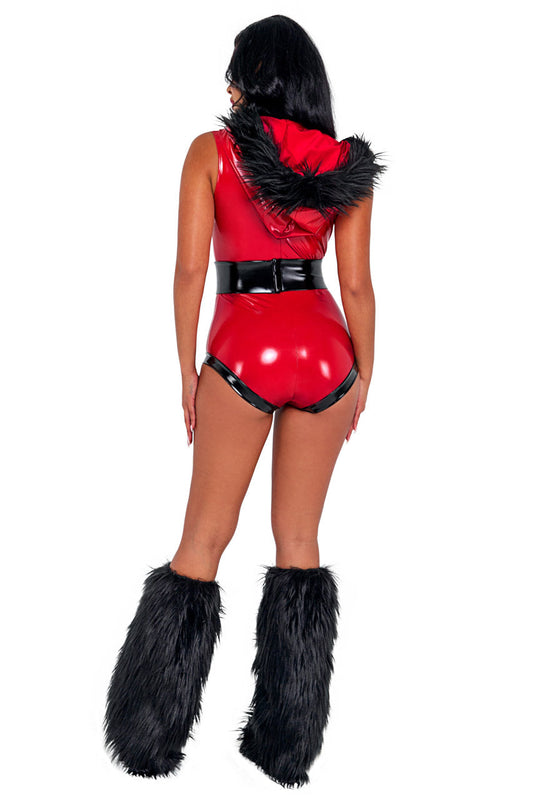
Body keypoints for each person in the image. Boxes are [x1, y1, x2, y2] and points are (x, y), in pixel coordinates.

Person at [103, 14, 387, 789]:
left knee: (202, 539)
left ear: (254, 78)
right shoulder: (345, 166)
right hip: (326, 351)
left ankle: (148, 736)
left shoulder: (212, 152)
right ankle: (286, 745)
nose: (227, 87)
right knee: (299, 539)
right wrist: (363, 375)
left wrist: (185, 370)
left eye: (235, 72)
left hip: (244, 350)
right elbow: (356, 285)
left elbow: (189, 272)